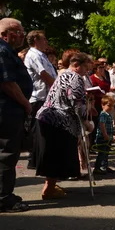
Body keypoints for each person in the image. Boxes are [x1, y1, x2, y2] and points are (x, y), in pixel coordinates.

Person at [36, 53, 91, 199]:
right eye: (86, 67)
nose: (87, 70)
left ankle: (50, 186)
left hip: (47, 117)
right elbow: (77, 103)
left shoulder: (63, 74)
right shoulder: (75, 77)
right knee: (56, 155)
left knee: (52, 154)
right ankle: (49, 189)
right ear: (77, 65)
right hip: (60, 120)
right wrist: (86, 121)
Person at [0, 18, 33, 212]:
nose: (22, 36)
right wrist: (26, 104)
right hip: (7, 110)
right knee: (7, 153)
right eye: (20, 32)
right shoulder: (2, 51)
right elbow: (8, 83)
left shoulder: (7, 51)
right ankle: (4, 198)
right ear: (8, 34)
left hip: (9, 109)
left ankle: (5, 193)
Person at [24, 30, 57, 169]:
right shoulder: (33, 55)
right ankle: (35, 160)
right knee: (38, 131)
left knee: (44, 131)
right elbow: (43, 74)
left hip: (46, 97)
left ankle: (40, 158)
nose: (46, 42)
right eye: (44, 39)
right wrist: (59, 88)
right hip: (39, 98)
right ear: (36, 40)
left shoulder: (41, 55)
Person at [94, 95, 115, 175]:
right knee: (102, 153)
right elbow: (102, 125)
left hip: (108, 137)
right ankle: (97, 167)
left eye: (112, 106)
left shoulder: (108, 115)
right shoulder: (103, 114)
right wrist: (105, 135)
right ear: (103, 105)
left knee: (106, 152)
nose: (111, 108)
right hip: (102, 137)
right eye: (109, 105)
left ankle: (104, 166)